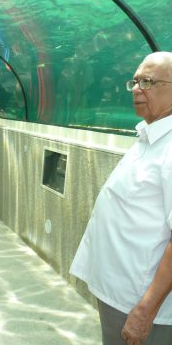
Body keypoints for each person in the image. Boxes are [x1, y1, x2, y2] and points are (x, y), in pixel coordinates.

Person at [70, 52, 172, 345]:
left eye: (148, 81)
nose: (137, 88)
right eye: (136, 80)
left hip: (142, 305)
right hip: (119, 294)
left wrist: (145, 309)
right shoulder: (148, 136)